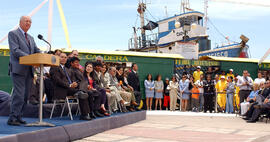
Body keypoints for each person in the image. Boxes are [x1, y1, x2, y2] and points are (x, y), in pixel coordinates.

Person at [7, 16, 41, 126]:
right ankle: (12, 118)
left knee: (26, 96)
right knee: (19, 94)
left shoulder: (30, 37)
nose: (29, 23)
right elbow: (15, 50)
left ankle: (19, 116)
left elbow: (36, 50)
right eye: (26, 21)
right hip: (18, 69)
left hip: (29, 70)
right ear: (20, 22)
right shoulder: (13, 34)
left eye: (30, 21)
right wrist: (31, 58)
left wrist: (43, 53)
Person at [50, 53, 91, 120]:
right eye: (62, 57)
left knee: (84, 92)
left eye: (65, 57)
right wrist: (69, 85)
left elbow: (73, 80)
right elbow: (57, 81)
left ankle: (86, 113)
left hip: (71, 89)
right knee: (82, 93)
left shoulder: (67, 69)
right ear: (58, 58)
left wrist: (75, 84)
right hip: (61, 90)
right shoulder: (54, 67)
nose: (64, 59)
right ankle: (85, 114)